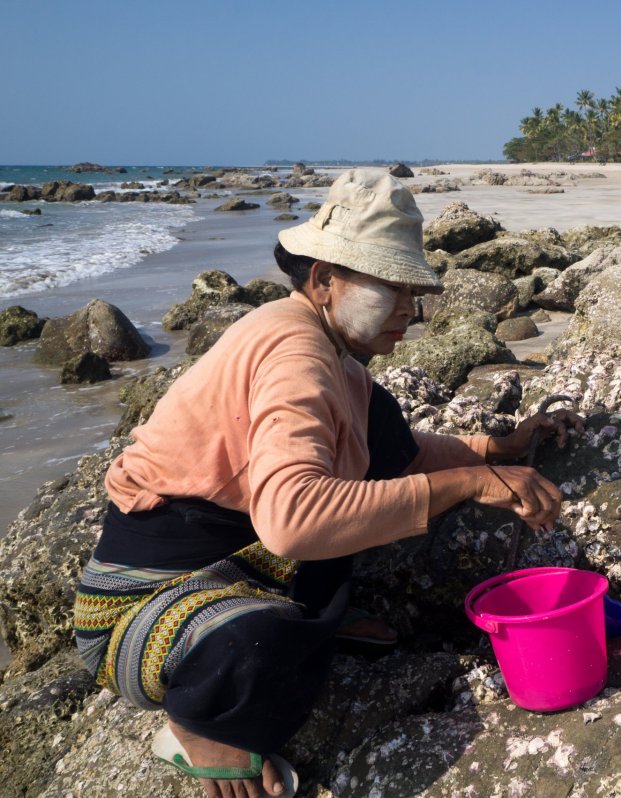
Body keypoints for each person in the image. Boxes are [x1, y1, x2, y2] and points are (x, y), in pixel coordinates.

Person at [72, 168, 581, 798]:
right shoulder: (294, 352)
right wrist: (470, 484)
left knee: (378, 432)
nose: (409, 309)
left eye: (412, 291)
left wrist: (493, 451)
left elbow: (402, 456)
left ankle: (312, 610)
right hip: (139, 604)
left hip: (242, 558)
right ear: (322, 280)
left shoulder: (339, 358)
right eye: (390, 287)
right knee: (265, 644)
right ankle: (195, 724)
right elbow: (293, 520)